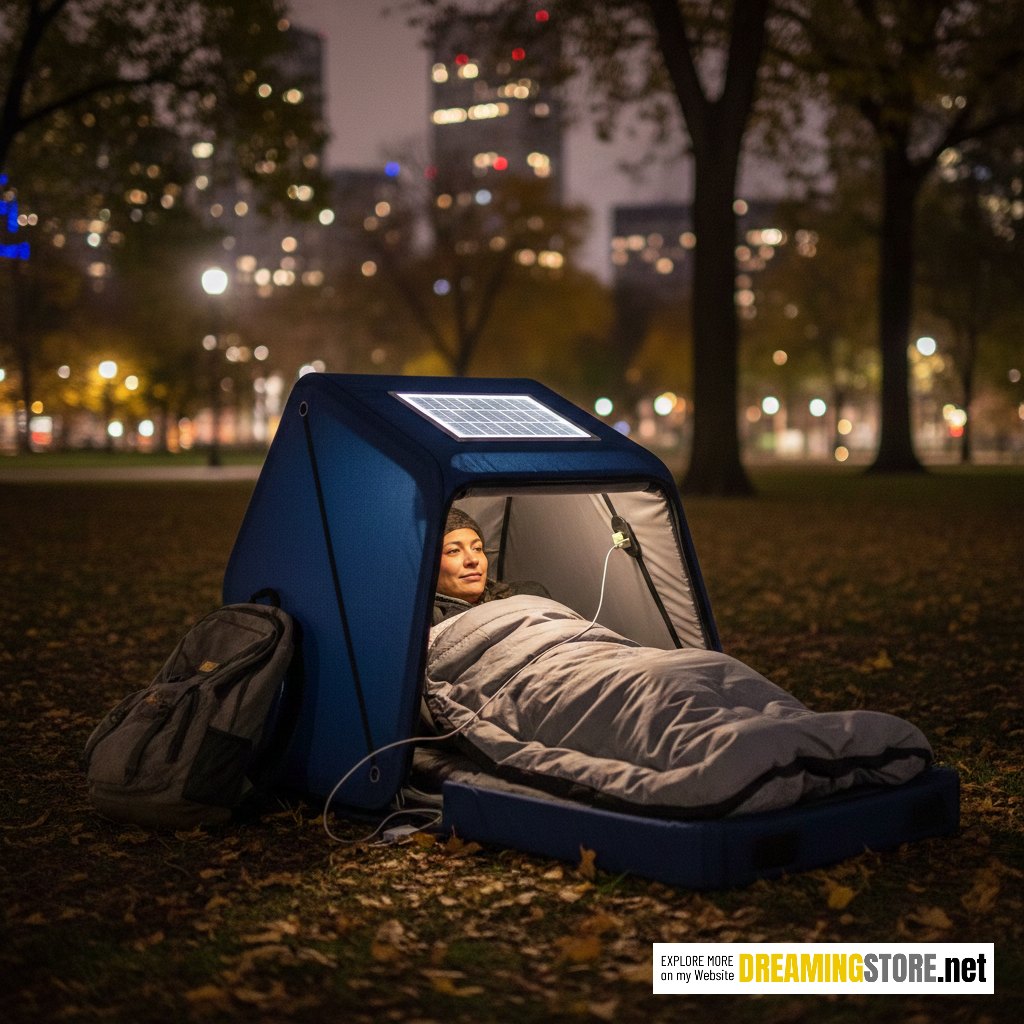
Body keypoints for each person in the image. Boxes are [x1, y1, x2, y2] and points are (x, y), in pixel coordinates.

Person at [432, 507, 548, 625]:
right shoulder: (423, 623)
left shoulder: (527, 595)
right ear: (427, 565)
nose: (473, 560)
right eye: (454, 551)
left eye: (477, 548)